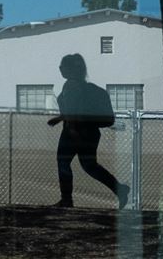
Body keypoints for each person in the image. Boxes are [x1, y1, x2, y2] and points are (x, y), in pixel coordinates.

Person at [49, 53, 125, 208]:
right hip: (89, 133)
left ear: (70, 69)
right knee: (89, 165)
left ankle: (66, 200)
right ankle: (120, 189)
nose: (60, 68)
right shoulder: (82, 88)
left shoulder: (71, 86)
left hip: (73, 132)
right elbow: (74, 110)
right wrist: (59, 119)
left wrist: (72, 130)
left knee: (64, 163)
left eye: (63, 66)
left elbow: (74, 111)